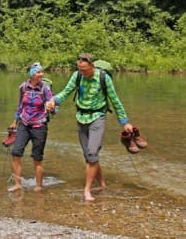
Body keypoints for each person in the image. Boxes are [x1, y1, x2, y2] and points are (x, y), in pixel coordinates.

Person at [45, 53, 133, 202]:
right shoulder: (77, 76)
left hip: (98, 117)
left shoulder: (104, 78)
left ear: (92, 66)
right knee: (89, 156)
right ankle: (102, 184)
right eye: (80, 69)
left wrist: (125, 122)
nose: (82, 72)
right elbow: (66, 92)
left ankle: (87, 190)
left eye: (85, 69)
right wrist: (53, 100)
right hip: (81, 117)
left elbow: (115, 101)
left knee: (92, 153)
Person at [8, 62, 53, 193]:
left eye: (42, 72)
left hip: (40, 126)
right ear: (32, 74)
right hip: (24, 123)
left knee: (37, 157)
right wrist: (15, 122)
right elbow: (20, 106)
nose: (41, 74)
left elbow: (53, 104)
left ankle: (38, 186)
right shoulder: (23, 87)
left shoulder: (45, 88)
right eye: (38, 72)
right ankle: (17, 184)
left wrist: (52, 107)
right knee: (16, 153)